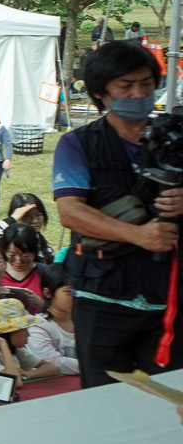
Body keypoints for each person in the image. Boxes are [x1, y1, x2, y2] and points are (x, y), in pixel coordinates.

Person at [48, 43, 181, 385]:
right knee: (102, 398)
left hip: (169, 299)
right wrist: (139, 235)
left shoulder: (176, 137)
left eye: (147, 84)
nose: (139, 94)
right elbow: (70, 212)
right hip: (101, 294)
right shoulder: (78, 144)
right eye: (126, 86)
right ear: (100, 93)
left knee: (171, 399)